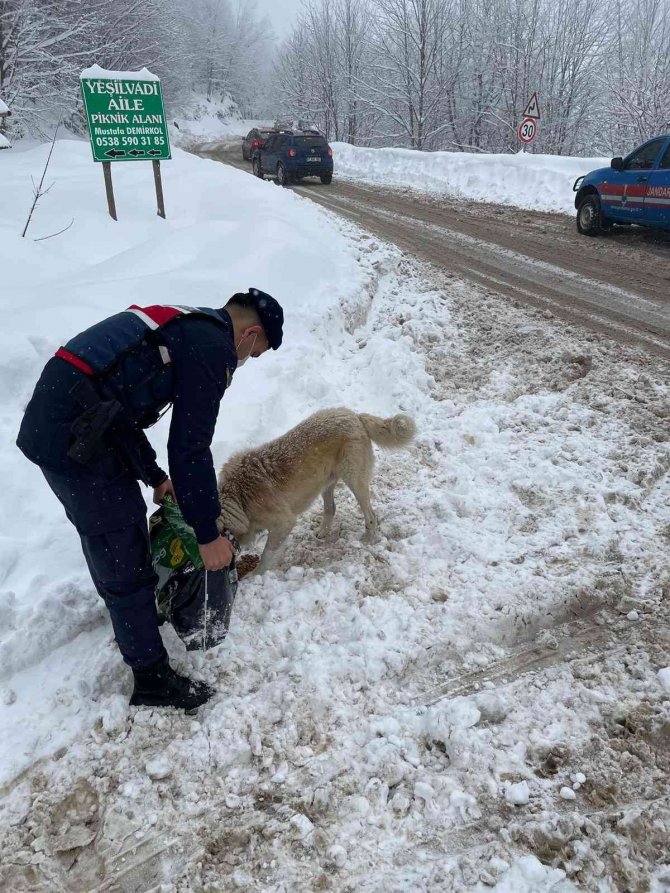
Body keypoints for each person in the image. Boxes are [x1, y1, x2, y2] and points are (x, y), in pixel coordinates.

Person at [17, 288, 284, 710]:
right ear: (250, 334)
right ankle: (151, 677)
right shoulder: (213, 347)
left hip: (70, 419)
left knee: (116, 534)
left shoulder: (188, 325)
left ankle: (134, 613)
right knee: (118, 540)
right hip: (71, 434)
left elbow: (110, 402)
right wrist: (206, 533)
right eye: (256, 352)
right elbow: (191, 448)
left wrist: (155, 476)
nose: (246, 361)